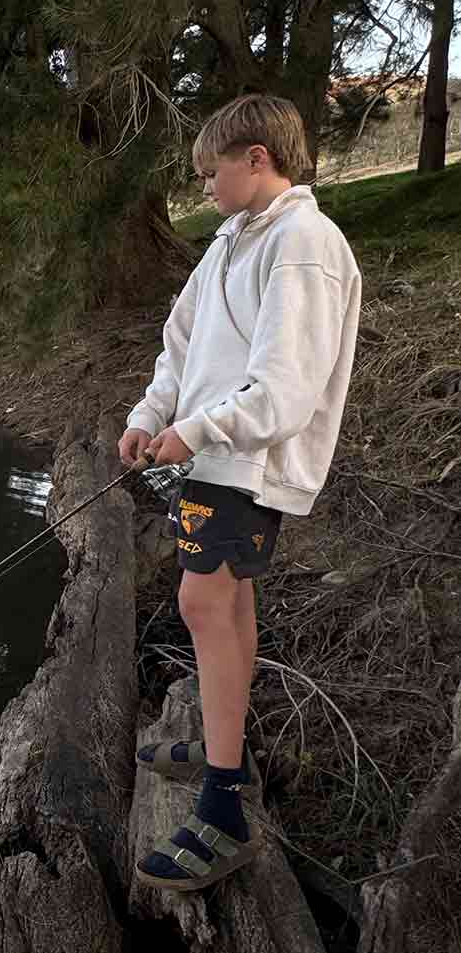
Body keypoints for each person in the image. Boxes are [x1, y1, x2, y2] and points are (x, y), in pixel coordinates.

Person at [119, 94, 361, 892]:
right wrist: (151, 414)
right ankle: (228, 749)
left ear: (257, 158)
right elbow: (182, 341)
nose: (203, 188)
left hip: (248, 463)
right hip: (215, 458)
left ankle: (224, 808)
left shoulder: (304, 242)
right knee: (225, 604)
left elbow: (288, 386)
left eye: (210, 171)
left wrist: (201, 431)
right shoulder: (230, 240)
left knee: (202, 603)